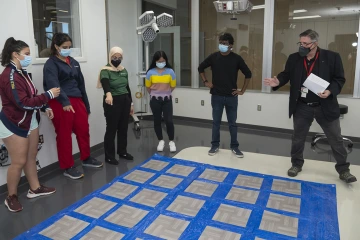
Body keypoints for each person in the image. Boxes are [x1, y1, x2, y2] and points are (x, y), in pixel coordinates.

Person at [264, 29, 357, 183]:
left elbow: (339, 79)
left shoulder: (331, 57)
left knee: (335, 139)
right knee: (298, 138)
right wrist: (278, 82)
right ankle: (296, 164)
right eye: (300, 43)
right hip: (302, 106)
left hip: (325, 105)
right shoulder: (294, 58)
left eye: (306, 43)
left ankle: (343, 170)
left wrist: (330, 91)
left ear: (315, 44)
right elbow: (286, 74)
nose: (302, 46)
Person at [0, 37, 59, 212]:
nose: (29, 57)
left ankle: (35, 188)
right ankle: (11, 196)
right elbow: (23, 103)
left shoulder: (21, 72)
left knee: (31, 157)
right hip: (14, 122)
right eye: (26, 54)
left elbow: (33, 95)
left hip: (29, 120)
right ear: (15, 55)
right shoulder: (9, 76)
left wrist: (45, 105)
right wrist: (49, 95)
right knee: (18, 161)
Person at [43, 33, 103, 180]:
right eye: (64, 47)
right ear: (56, 47)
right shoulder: (51, 64)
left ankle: (86, 158)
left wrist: (86, 105)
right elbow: (53, 84)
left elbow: (81, 85)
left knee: (83, 130)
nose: (67, 50)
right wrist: (65, 102)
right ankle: (67, 166)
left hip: (77, 100)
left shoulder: (74, 62)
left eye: (69, 47)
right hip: (60, 102)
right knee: (64, 135)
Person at [198, 33, 252, 158]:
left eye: (225, 43)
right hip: (216, 95)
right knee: (216, 122)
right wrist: (206, 82)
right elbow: (200, 67)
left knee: (232, 123)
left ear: (231, 45)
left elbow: (248, 74)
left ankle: (235, 147)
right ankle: (214, 145)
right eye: (221, 42)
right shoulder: (213, 57)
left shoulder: (236, 59)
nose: (222, 45)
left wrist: (242, 91)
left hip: (231, 96)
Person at [97, 47, 134, 165]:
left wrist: (131, 103)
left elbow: (127, 87)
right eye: (114, 57)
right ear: (110, 56)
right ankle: (109, 156)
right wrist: (108, 94)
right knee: (112, 129)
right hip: (112, 101)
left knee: (123, 127)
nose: (117, 60)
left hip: (125, 100)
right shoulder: (105, 70)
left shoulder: (124, 70)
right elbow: (105, 83)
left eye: (119, 58)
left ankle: (122, 151)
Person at [145, 51, 176, 152]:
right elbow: (148, 87)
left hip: (167, 100)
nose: (161, 63)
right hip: (155, 100)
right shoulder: (150, 72)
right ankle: (161, 141)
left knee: (169, 121)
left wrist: (165, 93)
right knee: (157, 120)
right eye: (159, 61)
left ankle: (171, 141)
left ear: (166, 61)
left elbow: (173, 86)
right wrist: (156, 94)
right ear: (155, 61)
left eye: (163, 61)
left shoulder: (170, 71)